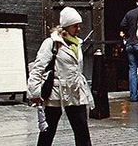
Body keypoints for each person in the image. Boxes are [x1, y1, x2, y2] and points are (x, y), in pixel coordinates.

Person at [27, 7, 94, 146]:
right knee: (48, 130)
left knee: (82, 131)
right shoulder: (52, 43)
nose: (78, 29)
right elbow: (38, 68)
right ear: (67, 26)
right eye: (75, 26)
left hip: (75, 91)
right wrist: (34, 92)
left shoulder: (77, 43)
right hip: (55, 92)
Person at [120, 0, 138, 102]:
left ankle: (132, 96)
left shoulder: (130, 13)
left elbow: (123, 25)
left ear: (137, 2)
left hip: (130, 44)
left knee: (132, 69)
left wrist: (127, 35)